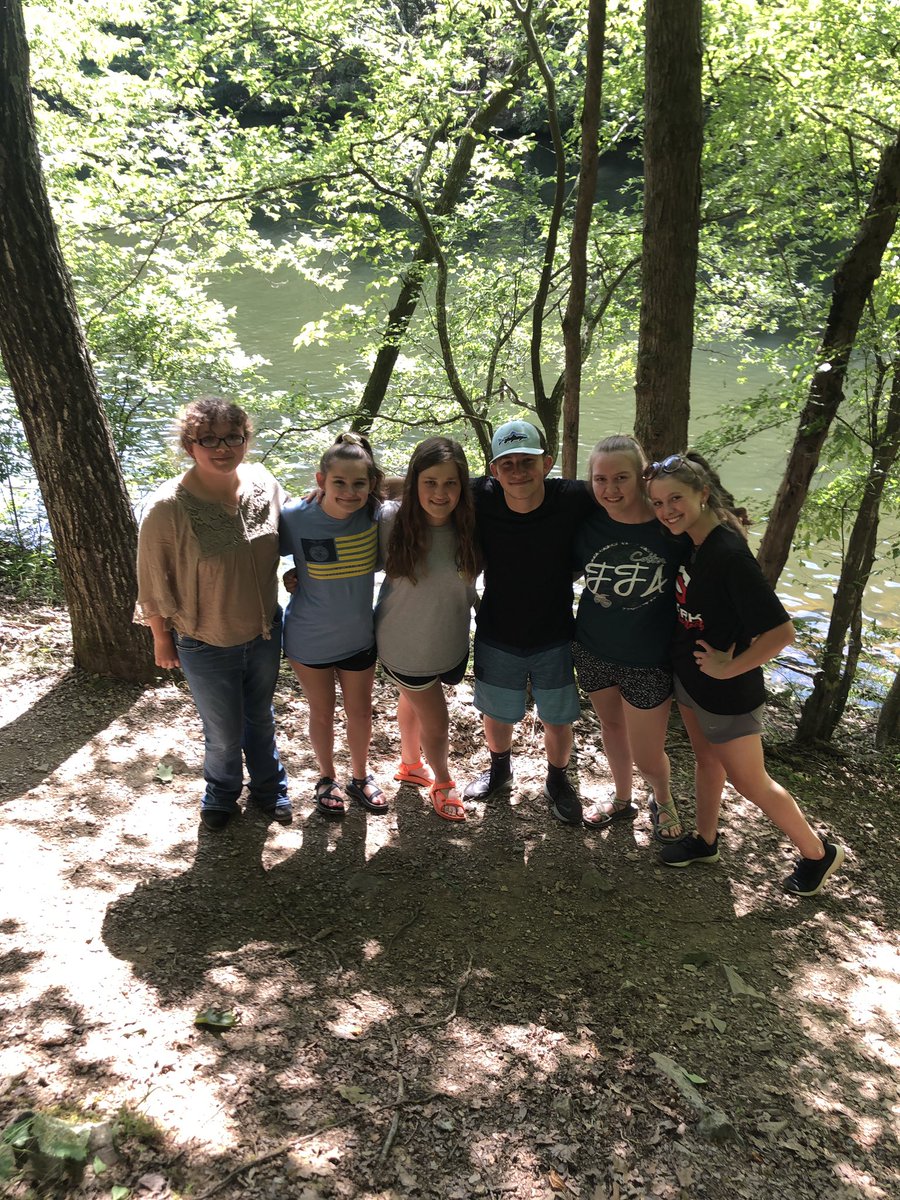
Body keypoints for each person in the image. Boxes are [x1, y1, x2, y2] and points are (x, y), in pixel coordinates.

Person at [646, 453, 845, 896]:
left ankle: (818, 854)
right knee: (706, 762)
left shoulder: (729, 554)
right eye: (658, 503)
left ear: (703, 494)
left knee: (750, 781)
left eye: (675, 498)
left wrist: (728, 667)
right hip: (693, 682)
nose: (666, 510)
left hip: (727, 691)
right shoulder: (695, 542)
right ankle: (706, 840)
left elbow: (781, 633)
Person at [135, 397, 291, 831]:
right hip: (204, 639)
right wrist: (161, 638)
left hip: (263, 631)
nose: (222, 448)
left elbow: (297, 526)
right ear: (190, 445)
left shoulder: (262, 482)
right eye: (209, 439)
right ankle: (221, 792)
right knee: (223, 732)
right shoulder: (168, 506)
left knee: (260, 717)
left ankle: (270, 787)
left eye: (232, 438)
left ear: (246, 439)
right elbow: (153, 578)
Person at [464, 419, 596, 824]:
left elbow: (627, 491)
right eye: (508, 464)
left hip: (554, 634)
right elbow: (422, 484)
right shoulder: (479, 496)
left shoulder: (573, 497)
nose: (518, 472)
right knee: (497, 713)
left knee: (558, 717)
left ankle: (557, 780)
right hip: (497, 631)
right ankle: (500, 771)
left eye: (527, 461)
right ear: (494, 470)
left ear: (548, 463)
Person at [573, 435, 687, 839]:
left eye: (621, 477)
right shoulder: (587, 526)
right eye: (600, 479)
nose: (610, 489)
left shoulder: (671, 529)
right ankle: (622, 800)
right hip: (592, 648)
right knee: (611, 726)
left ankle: (663, 797)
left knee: (648, 752)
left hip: (648, 658)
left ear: (642, 477)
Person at [280, 432, 388, 820]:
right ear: (320, 480)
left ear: (371, 484)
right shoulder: (295, 516)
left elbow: (413, 487)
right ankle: (326, 778)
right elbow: (256, 555)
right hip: (308, 638)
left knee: (360, 713)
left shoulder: (375, 514)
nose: (349, 491)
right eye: (338, 482)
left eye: (359, 483)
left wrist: (379, 488)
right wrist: (287, 577)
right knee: (321, 712)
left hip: (359, 636)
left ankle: (360, 777)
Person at [375, 437, 479, 821]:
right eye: (430, 482)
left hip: (448, 639)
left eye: (450, 483)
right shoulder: (390, 521)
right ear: (415, 481)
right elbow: (340, 538)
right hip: (405, 642)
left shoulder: (471, 524)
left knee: (412, 700)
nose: (440, 493)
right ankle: (444, 782)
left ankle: (410, 764)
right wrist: (298, 573)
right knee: (436, 720)